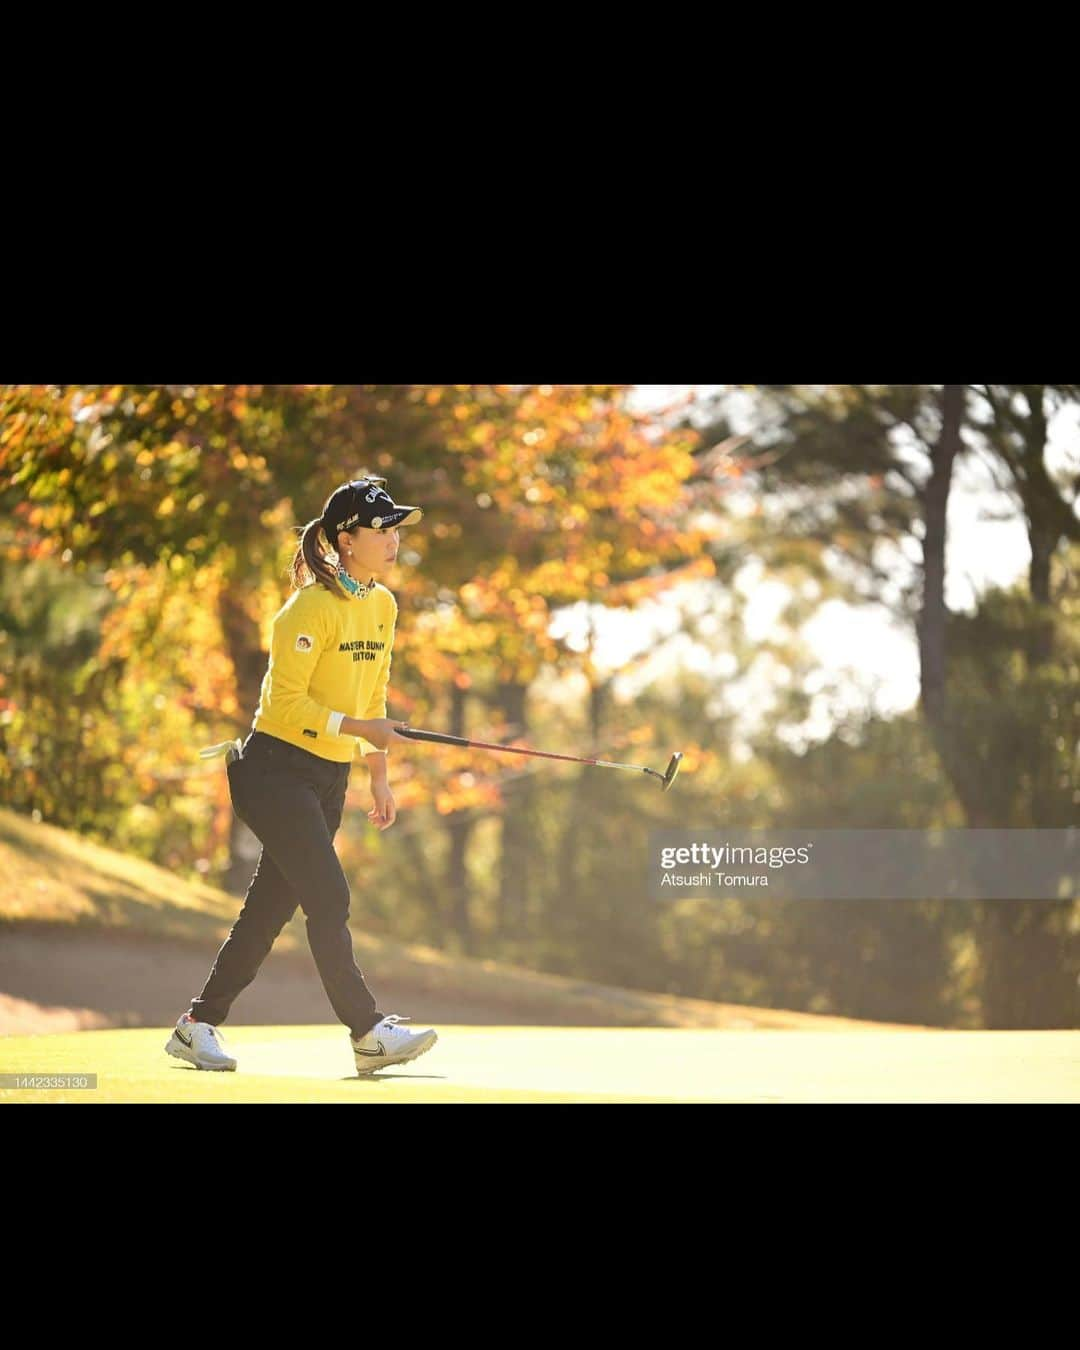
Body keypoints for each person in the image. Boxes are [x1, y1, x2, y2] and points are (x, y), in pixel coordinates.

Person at [165, 476, 438, 1075]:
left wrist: (379, 773)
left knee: (268, 910)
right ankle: (368, 1032)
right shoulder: (307, 608)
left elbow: (374, 694)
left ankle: (196, 1025)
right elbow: (284, 705)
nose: (394, 539)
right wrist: (363, 730)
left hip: (330, 775)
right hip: (273, 769)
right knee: (329, 896)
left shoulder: (383, 605)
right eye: (381, 529)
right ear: (346, 539)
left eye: (396, 529)